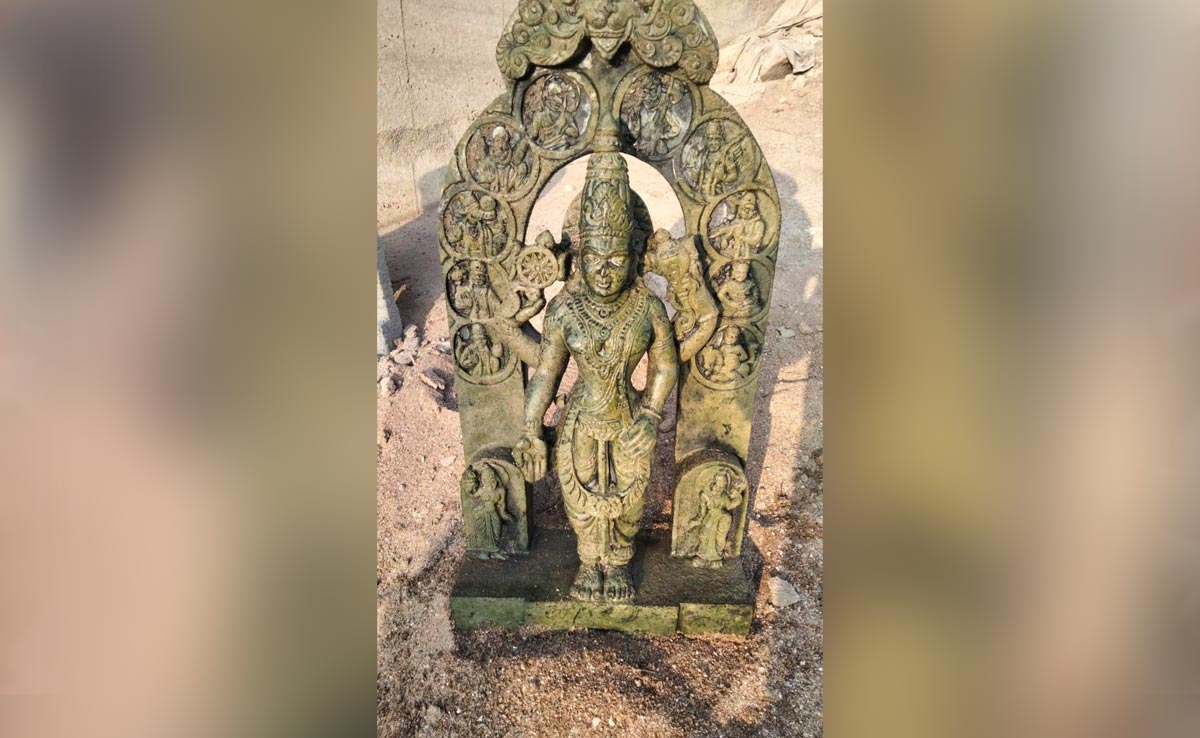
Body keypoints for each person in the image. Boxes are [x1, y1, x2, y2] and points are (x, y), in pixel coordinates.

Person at [514, 142, 678, 602]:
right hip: (582, 418)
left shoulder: (647, 307)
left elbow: (665, 365)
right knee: (580, 496)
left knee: (631, 493)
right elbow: (546, 375)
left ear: (635, 256)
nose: (605, 271)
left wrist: (651, 414)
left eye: (617, 260)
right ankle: (589, 562)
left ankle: (619, 561)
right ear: (579, 255)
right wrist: (531, 427)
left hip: (629, 417)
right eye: (595, 259)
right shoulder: (565, 310)